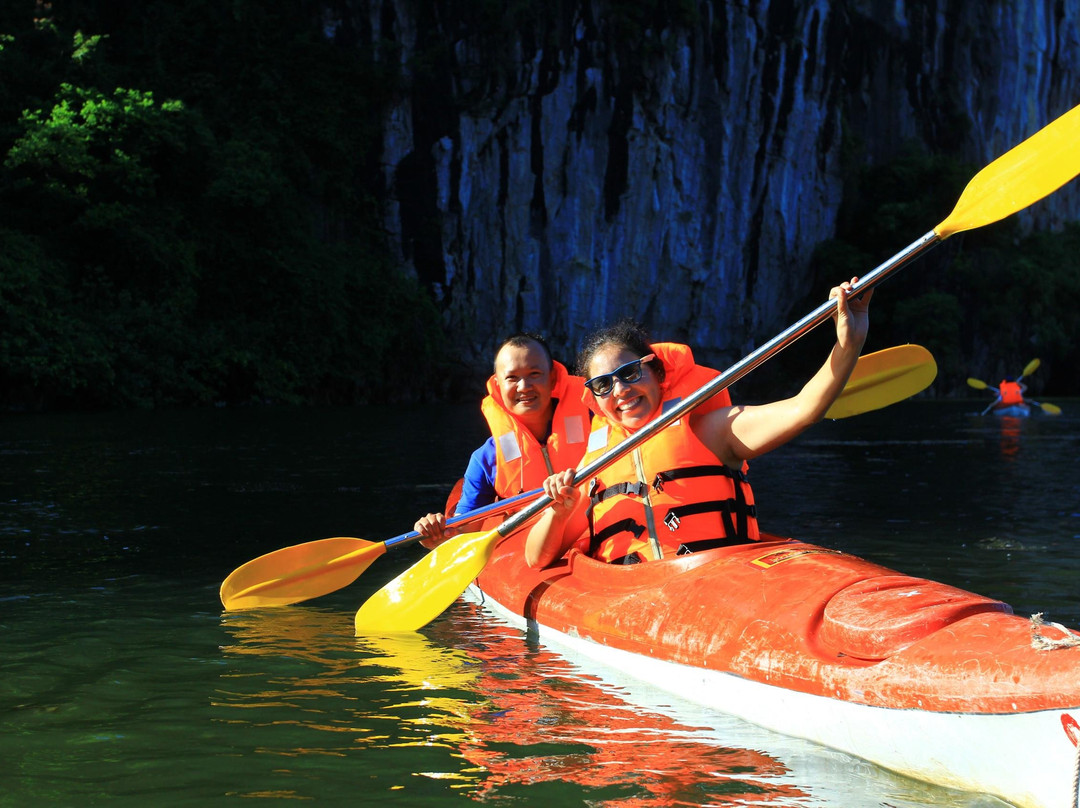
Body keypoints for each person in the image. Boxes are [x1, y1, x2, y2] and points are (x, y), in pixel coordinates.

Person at [524, 278, 872, 569]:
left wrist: (849, 342)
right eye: (603, 385)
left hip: (717, 579)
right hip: (630, 594)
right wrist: (558, 512)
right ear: (594, 399)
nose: (621, 390)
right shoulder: (592, 467)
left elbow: (803, 409)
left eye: (629, 373)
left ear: (656, 372)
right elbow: (535, 559)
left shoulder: (710, 430)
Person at [414, 333, 592, 547]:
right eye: (512, 378)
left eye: (535, 374)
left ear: (552, 378)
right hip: (535, 551)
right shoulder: (486, 458)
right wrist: (433, 534)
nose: (524, 386)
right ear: (497, 384)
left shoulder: (597, 422)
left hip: (600, 537)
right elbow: (461, 534)